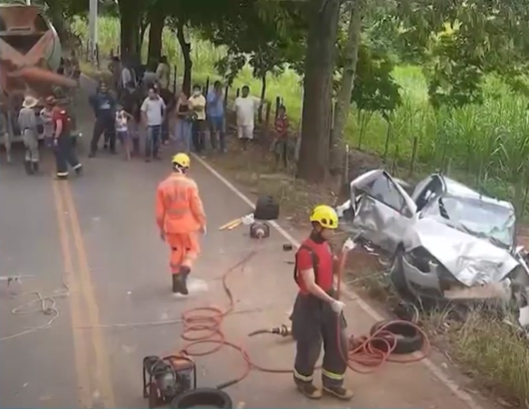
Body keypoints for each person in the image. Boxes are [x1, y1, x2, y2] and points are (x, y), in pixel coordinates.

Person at [291, 205, 354, 401]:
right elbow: (310, 285)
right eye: (330, 228)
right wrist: (331, 301)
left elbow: (334, 270)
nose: (333, 232)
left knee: (339, 343)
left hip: (329, 299)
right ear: (318, 226)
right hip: (311, 303)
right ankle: (304, 381)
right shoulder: (306, 252)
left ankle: (333, 383)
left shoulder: (326, 246)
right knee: (311, 346)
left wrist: (344, 252)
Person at [156, 153, 206, 295]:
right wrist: (202, 222)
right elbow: (197, 206)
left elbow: (159, 213)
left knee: (176, 251)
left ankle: (175, 283)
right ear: (184, 167)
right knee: (192, 250)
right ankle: (183, 274)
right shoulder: (190, 185)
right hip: (189, 226)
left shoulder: (162, 186)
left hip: (171, 227)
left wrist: (161, 229)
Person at [50, 96, 83, 179]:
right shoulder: (63, 112)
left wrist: (56, 137)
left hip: (61, 136)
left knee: (59, 155)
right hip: (66, 134)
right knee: (68, 152)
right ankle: (77, 167)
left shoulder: (56, 113)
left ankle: (62, 173)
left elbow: (59, 126)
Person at [88, 82, 117, 157]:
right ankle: (92, 150)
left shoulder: (110, 97)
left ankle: (112, 148)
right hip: (101, 116)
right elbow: (91, 100)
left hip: (109, 117)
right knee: (96, 134)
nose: (103, 88)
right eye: (102, 87)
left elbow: (114, 103)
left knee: (112, 133)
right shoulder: (96, 97)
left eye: (105, 87)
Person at [141, 86, 166, 162]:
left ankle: (155, 154)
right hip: (149, 124)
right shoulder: (147, 101)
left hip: (158, 123)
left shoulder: (160, 100)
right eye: (149, 93)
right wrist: (145, 122)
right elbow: (142, 111)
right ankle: (147, 156)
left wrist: (163, 118)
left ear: (155, 93)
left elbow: (164, 108)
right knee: (148, 140)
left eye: (151, 93)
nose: (150, 94)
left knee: (157, 141)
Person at [18, 95, 40, 175]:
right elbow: (33, 124)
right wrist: (36, 133)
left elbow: (19, 122)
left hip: (24, 131)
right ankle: (35, 166)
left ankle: (27, 166)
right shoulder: (31, 112)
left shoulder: (21, 111)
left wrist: (22, 131)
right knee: (33, 149)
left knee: (27, 149)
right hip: (30, 131)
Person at [234, 85, 260, 150]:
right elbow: (235, 110)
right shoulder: (238, 100)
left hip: (249, 121)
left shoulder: (252, 99)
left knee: (248, 136)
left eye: (246, 91)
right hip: (240, 121)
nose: (244, 92)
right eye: (243, 91)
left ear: (248, 92)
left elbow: (260, 102)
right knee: (241, 136)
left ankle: (246, 146)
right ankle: (242, 146)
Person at [206, 81, 226, 153]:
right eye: (218, 87)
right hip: (212, 115)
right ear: (215, 87)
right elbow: (211, 103)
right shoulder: (210, 94)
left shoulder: (222, 93)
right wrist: (217, 96)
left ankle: (223, 147)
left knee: (223, 132)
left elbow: (222, 103)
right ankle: (214, 147)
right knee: (213, 132)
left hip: (220, 115)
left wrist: (223, 113)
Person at [188, 84, 206, 153]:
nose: (196, 91)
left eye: (197, 90)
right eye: (195, 89)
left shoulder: (202, 98)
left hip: (201, 118)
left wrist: (193, 106)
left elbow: (200, 108)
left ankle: (202, 147)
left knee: (201, 133)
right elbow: (189, 107)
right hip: (194, 118)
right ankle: (196, 147)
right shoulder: (191, 98)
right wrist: (195, 106)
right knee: (194, 133)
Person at [273, 105, 290, 169]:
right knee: (275, 150)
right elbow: (275, 125)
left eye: (282, 111)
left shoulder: (285, 119)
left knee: (282, 152)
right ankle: (276, 164)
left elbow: (286, 129)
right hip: (277, 136)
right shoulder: (278, 118)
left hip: (283, 138)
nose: (280, 112)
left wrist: (280, 136)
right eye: (280, 110)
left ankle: (284, 165)